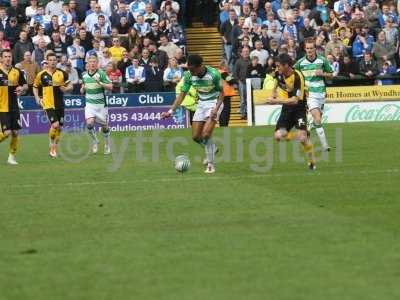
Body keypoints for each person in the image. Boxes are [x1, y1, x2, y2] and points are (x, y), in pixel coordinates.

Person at [161, 54, 224, 174]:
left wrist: (216, 108)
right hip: (201, 104)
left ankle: (210, 165)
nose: (190, 71)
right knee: (196, 136)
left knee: (206, 134)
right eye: (188, 68)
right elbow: (182, 95)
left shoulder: (214, 74)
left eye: (192, 69)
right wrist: (171, 111)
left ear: (200, 66)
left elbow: (222, 93)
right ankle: (212, 148)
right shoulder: (189, 75)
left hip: (214, 103)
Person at [267, 53, 316, 170]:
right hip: (286, 108)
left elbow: (295, 100)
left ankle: (311, 160)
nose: (277, 68)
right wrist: (273, 91)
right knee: (278, 136)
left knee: (303, 139)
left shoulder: (297, 76)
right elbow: (276, 80)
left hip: (299, 107)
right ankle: (302, 134)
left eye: (279, 66)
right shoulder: (279, 73)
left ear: (287, 65)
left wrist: (276, 101)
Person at [294, 38, 333, 152]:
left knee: (317, 119)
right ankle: (325, 146)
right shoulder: (300, 63)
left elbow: (331, 75)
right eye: (307, 48)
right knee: (317, 118)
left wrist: (323, 73)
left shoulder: (322, 60)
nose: (309, 50)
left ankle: (307, 127)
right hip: (309, 94)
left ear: (315, 49)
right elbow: (293, 74)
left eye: (311, 48)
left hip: (321, 93)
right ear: (305, 49)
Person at [33, 52, 73, 158]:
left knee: (59, 128)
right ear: (47, 61)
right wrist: (37, 98)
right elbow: (35, 86)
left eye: (54, 60)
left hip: (60, 104)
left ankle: (54, 147)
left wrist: (66, 88)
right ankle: (52, 145)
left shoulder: (62, 73)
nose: (52, 62)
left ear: (57, 61)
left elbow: (70, 86)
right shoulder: (41, 74)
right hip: (48, 104)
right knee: (55, 125)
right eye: (50, 60)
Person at [81, 55, 113, 155]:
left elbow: (111, 87)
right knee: (89, 124)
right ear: (88, 64)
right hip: (89, 105)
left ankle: (107, 144)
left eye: (94, 61)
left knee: (105, 128)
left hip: (101, 106)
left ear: (97, 63)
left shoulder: (101, 74)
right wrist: (83, 89)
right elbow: (82, 89)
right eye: (90, 62)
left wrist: (101, 84)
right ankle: (95, 141)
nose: (92, 63)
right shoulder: (84, 75)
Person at [0, 49, 28, 165]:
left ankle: (11, 157)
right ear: (1, 59)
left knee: (15, 132)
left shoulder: (17, 71)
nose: (7, 58)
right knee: (7, 133)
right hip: (2, 107)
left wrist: (22, 89)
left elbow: (25, 85)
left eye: (9, 56)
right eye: (5, 56)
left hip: (14, 106)